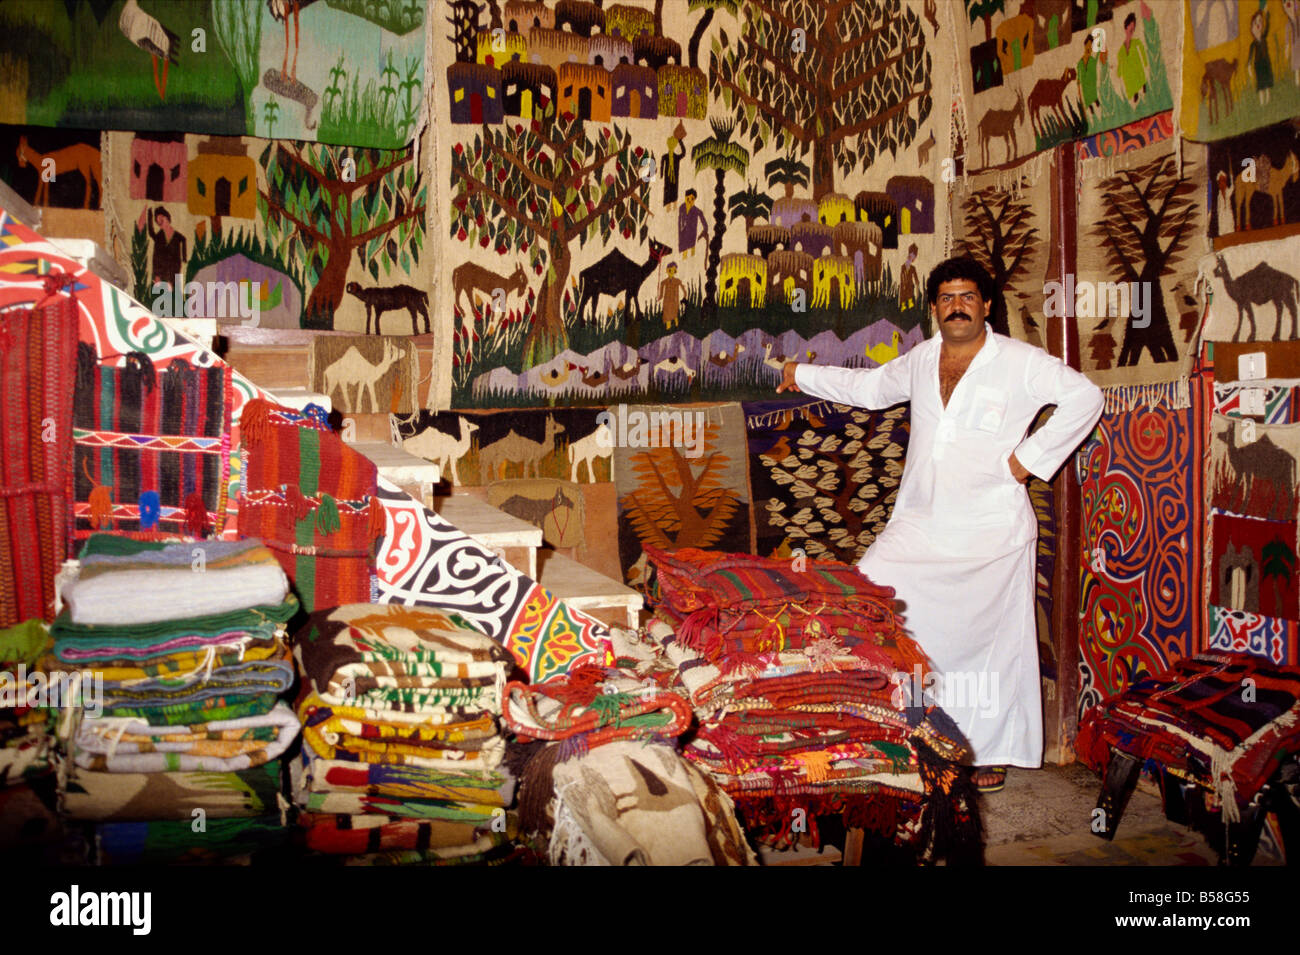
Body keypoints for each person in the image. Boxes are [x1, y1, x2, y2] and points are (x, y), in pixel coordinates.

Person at [776, 256, 1104, 792]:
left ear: (986, 305)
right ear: (934, 308)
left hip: (991, 531)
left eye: (967, 296)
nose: (957, 306)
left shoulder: (1019, 361)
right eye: (947, 297)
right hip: (921, 523)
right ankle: (912, 729)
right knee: (876, 596)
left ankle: (986, 752)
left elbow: (1084, 396)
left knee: (992, 647)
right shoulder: (923, 358)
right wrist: (800, 374)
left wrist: (1029, 459)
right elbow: (871, 388)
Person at [139, 205, 187, 289]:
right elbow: (151, 232)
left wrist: (184, 257)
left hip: (173, 269)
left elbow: (183, 239)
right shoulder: (159, 236)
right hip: (161, 270)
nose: (161, 224)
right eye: (158, 222)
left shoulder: (176, 236)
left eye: (162, 220)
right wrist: (149, 214)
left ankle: (171, 284)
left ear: (167, 217)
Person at [1116, 11, 1149, 105]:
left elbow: (1142, 50)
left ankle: (1142, 88)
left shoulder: (1136, 42)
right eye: (1130, 29)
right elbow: (1120, 61)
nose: (1132, 31)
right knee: (1131, 85)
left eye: (1133, 29)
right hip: (1128, 75)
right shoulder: (1121, 50)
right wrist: (1118, 73)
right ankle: (1135, 94)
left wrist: (1146, 62)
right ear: (1126, 28)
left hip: (1137, 71)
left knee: (1140, 82)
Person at [1247, 8, 1274, 107]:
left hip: (1266, 63)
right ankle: (1262, 104)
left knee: (1267, 85)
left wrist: (1267, 16)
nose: (1258, 25)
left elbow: (1268, 27)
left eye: (1260, 22)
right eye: (1255, 23)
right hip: (1258, 66)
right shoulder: (1253, 44)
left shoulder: (1264, 37)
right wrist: (1249, 66)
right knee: (1261, 86)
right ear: (1252, 27)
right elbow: (1250, 57)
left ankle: (1268, 102)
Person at [1076, 31, 1105, 119]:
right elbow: (1078, 76)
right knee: (1088, 99)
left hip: (1092, 85)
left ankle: (1095, 102)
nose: (1089, 48)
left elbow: (1097, 56)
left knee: (1093, 95)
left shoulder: (1092, 60)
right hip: (1085, 87)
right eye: (1088, 45)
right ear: (1085, 46)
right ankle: (1090, 107)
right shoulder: (1080, 63)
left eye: (1091, 46)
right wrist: (1078, 85)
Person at [677, 188, 708, 258]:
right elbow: (679, 220)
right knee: (683, 251)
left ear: (694, 200)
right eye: (688, 199)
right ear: (685, 198)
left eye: (692, 199)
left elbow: (702, 217)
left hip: (692, 233)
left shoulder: (696, 210)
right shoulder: (681, 208)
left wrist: (705, 229)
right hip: (682, 233)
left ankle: (692, 258)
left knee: (691, 250)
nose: (690, 201)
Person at [658, 262, 684, 329]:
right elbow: (661, 289)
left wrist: (685, 294)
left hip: (674, 300)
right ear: (667, 270)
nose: (671, 272)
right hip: (667, 301)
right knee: (667, 316)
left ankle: (677, 326)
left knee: (674, 315)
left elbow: (682, 287)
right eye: (670, 270)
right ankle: (668, 328)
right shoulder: (665, 281)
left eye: (673, 270)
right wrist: (660, 297)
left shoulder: (677, 281)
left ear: (675, 271)